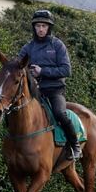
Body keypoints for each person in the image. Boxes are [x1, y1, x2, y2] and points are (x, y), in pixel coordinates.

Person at [18, 9, 80, 160]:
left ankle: (75, 145)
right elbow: (18, 66)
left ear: (49, 28)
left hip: (55, 90)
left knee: (59, 113)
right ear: (34, 27)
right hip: (35, 91)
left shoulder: (57, 45)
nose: (40, 29)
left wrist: (42, 71)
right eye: (38, 26)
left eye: (44, 26)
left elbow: (67, 70)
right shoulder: (28, 47)